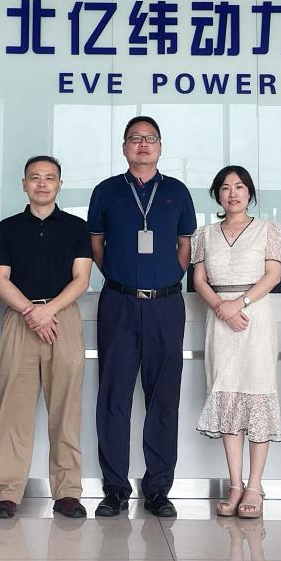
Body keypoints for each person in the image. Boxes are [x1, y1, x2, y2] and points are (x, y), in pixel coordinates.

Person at [87, 115, 197, 518]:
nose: (143, 144)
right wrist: (122, 278)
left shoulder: (177, 192)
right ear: (124, 148)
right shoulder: (107, 191)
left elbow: (184, 247)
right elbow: (96, 246)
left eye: (150, 138)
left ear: (160, 147)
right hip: (118, 303)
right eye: (135, 138)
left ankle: (158, 489)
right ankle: (115, 489)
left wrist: (164, 279)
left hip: (166, 305)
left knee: (164, 398)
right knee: (113, 397)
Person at [0, 156, 93, 519]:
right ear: (24, 184)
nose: (42, 184)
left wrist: (49, 310)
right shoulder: (7, 228)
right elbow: (0, 280)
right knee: (12, 410)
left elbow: (82, 279)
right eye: (35, 178)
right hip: (20, 320)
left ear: (60, 184)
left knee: (66, 410)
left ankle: (67, 492)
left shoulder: (77, 228)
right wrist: (32, 312)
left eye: (50, 178)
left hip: (63, 320)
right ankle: (7, 492)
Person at [191, 166, 281, 519]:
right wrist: (221, 307)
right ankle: (234, 484)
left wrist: (239, 304)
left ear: (250, 193)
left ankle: (255, 486)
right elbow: (199, 280)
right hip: (219, 321)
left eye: (240, 187)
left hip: (255, 318)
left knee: (256, 393)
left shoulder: (268, 229)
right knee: (227, 395)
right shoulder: (204, 234)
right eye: (226, 188)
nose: (233, 193)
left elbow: (273, 275)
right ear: (217, 194)